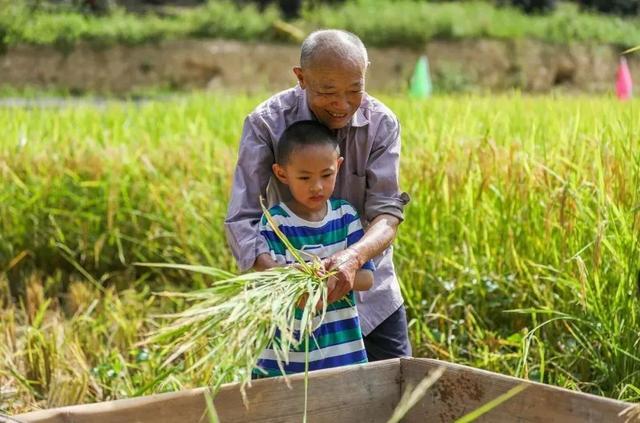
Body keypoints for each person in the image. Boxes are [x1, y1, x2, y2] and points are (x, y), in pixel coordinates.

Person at [225, 29, 412, 361]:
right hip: (296, 311)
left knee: (395, 397)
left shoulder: (381, 123)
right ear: (301, 77)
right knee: (301, 404)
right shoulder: (266, 123)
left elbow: (387, 213)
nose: (343, 105)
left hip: (372, 299)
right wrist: (279, 277)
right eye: (328, 92)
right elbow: (242, 216)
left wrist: (352, 259)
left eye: (355, 90)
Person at [252, 120, 374, 378]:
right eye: (305, 177)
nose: (317, 186)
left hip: (342, 348)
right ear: (282, 173)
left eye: (326, 175)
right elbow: (268, 282)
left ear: (338, 167)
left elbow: (366, 278)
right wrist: (300, 276)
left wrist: (330, 275)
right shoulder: (275, 222)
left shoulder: (346, 216)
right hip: (287, 352)